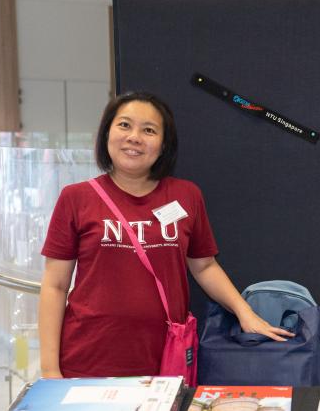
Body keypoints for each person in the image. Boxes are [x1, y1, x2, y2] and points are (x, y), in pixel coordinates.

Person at [38, 92, 293, 378]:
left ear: (163, 145)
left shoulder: (186, 195)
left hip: (165, 360)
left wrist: (245, 313)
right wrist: (49, 369)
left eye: (149, 130)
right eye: (124, 125)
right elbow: (55, 285)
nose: (134, 137)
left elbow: (205, 266)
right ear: (107, 132)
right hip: (87, 361)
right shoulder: (76, 197)